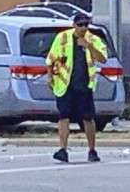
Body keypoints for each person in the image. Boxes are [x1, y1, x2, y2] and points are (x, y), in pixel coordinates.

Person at [46, 13, 107, 163]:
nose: (83, 28)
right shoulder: (62, 38)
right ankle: (63, 150)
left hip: (84, 85)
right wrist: (49, 77)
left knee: (88, 118)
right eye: (80, 25)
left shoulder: (93, 39)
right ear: (74, 25)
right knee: (63, 116)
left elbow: (102, 59)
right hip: (64, 84)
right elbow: (51, 58)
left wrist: (88, 46)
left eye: (86, 25)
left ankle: (92, 150)